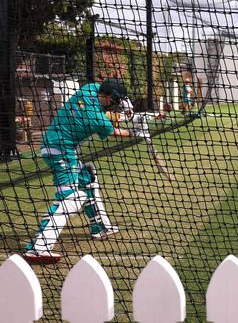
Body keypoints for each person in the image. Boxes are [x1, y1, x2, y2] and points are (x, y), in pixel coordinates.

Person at [23, 79, 146, 264]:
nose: (115, 104)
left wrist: (127, 109)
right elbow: (112, 131)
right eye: (114, 100)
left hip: (59, 146)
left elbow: (109, 110)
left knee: (87, 177)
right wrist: (136, 132)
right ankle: (38, 248)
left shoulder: (90, 89)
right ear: (108, 96)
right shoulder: (95, 118)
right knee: (72, 197)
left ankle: (100, 226)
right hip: (59, 150)